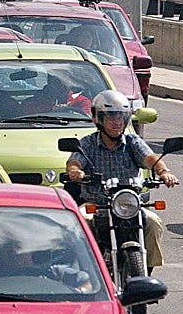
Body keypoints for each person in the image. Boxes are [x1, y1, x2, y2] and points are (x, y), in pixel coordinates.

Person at [64, 89, 176, 268]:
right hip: (96, 204)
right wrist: (75, 171)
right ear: (98, 119)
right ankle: (85, 268)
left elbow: (150, 158)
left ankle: (146, 271)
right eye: (111, 117)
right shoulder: (88, 143)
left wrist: (164, 172)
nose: (117, 122)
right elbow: (75, 161)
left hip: (128, 205)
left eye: (120, 117)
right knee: (82, 221)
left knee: (153, 222)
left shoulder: (132, 142)